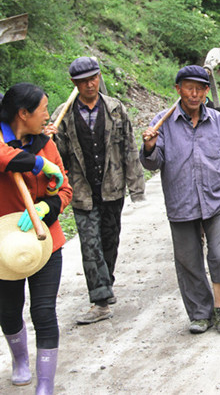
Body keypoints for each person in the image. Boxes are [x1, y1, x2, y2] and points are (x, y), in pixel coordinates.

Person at [140, 65, 220, 335]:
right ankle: (199, 313)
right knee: (188, 261)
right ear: (178, 89)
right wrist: (149, 146)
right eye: (188, 87)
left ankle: (219, 310)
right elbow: (153, 164)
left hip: (216, 199)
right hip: (181, 201)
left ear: (207, 91)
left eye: (200, 88)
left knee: (219, 255)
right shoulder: (162, 122)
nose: (194, 94)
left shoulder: (218, 121)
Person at [46, 57, 145, 325]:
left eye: (93, 78)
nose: (90, 84)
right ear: (73, 83)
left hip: (112, 188)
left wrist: (136, 187)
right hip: (82, 191)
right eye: (83, 81)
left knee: (109, 242)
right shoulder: (62, 115)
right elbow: (60, 157)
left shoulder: (115, 109)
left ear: (99, 76)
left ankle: (105, 284)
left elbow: (129, 148)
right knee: (90, 245)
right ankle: (100, 300)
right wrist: (51, 138)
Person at [0, 83, 72, 395]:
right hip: (6, 244)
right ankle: (20, 361)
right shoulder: (2, 141)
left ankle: (45, 384)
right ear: (23, 113)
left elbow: (65, 189)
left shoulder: (47, 143)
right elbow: (9, 159)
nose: (47, 114)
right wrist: (41, 164)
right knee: (8, 310)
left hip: (45, 242)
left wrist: (47, 206)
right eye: (42, 108)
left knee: (43, 311)